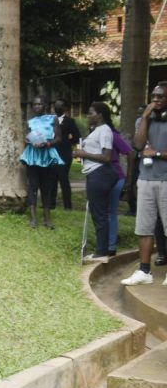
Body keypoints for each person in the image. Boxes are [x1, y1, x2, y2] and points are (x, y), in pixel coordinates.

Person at [122, 83, 167, 284]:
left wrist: (156, 153)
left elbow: (150, 151)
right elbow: (138, 145)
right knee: (144, 227)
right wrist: (146, 118)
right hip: (146, 180)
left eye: (161, 96)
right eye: (153, 96)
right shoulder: (143, 120)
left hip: (165, 180)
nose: (156, 99)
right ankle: (144, 271)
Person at [75, 102, 116, 264]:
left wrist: (83, 153)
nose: (88, 116)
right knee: (98, 212)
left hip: (99, 174)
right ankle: (101, 250)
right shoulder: (96, 130)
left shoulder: (105, 130)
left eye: (91, 113)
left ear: (100, 115)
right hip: (94, 173)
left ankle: (101, 252)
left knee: (99, 214)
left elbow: (106, 157)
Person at [19, 97, 62, 229]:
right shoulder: (30, 121)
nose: (37, 106)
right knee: (33, 185)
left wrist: (48, 143)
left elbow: (59, 138)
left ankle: (47, 218)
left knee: (46, 187)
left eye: (40, 104)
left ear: (45, 105)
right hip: (33, 155)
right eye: (35, 104)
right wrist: (27, 140)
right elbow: (27, 137)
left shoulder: (53, 119)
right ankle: (33, 217)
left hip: (47, 154)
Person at [108, 128, 133, 256]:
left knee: (111, 211)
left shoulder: (113, 135)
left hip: (116, 177)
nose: (89, 116)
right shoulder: (93, 133)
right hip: (99, 178)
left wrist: (129, 178)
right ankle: (103, 243)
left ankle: (111, 245)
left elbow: (129, 152)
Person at [52, 99, 80, 210]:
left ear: (65, 108)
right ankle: (51, 204)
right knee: (52, 178)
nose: (57, 108)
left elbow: (77, 136)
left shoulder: (69, 121)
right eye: (55, 106)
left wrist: (66, 142)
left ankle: (67, 206)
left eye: (59, 106)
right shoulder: (50, 120)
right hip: (52, 153)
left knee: (63, 178)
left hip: (64, 153)